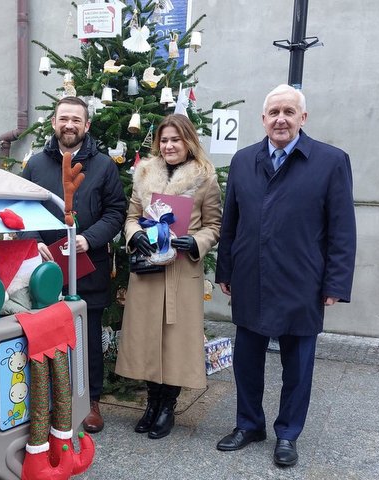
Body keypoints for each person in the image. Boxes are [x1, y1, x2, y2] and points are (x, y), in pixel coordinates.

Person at [215, 84, 356, 467]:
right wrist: (225, 269)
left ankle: (288, 434)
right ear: (263, 120)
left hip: (302, 281)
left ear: (303, 118)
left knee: (297, 365)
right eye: (273, 112)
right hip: (250, 277)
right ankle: (249, 424)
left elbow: (342, 229)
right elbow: (231, 222)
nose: (281, 119)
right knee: (247, 359)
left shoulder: (330, 161)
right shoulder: (245, 161)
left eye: (289, 112)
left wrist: (336, 284)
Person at [20, 96, 126, 433]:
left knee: (88, 338)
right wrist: (34, 240)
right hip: (44, 269)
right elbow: (21, 207)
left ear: (87, 126)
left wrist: (89, 238)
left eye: (76, 120)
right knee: (42, 335)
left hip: (88, 268)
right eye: (63, 118)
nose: (69, 125)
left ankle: (91, 401)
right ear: (53, 122)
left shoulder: (105, 166)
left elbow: (115, 212)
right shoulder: (35, 165)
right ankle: (45, 401)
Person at [114, 114, 222, 439]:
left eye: (176, 139)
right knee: (147, 337)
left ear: (188, 141)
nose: (169, 145)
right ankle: (152, 402)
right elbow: (131, 217)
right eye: (164, 140)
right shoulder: (144, 174)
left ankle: (167, 407)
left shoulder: (205, 179)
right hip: (148, 269)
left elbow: (214, 227)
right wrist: (134, 235)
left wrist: (196, 242)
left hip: (181, 271)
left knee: (174, 341)